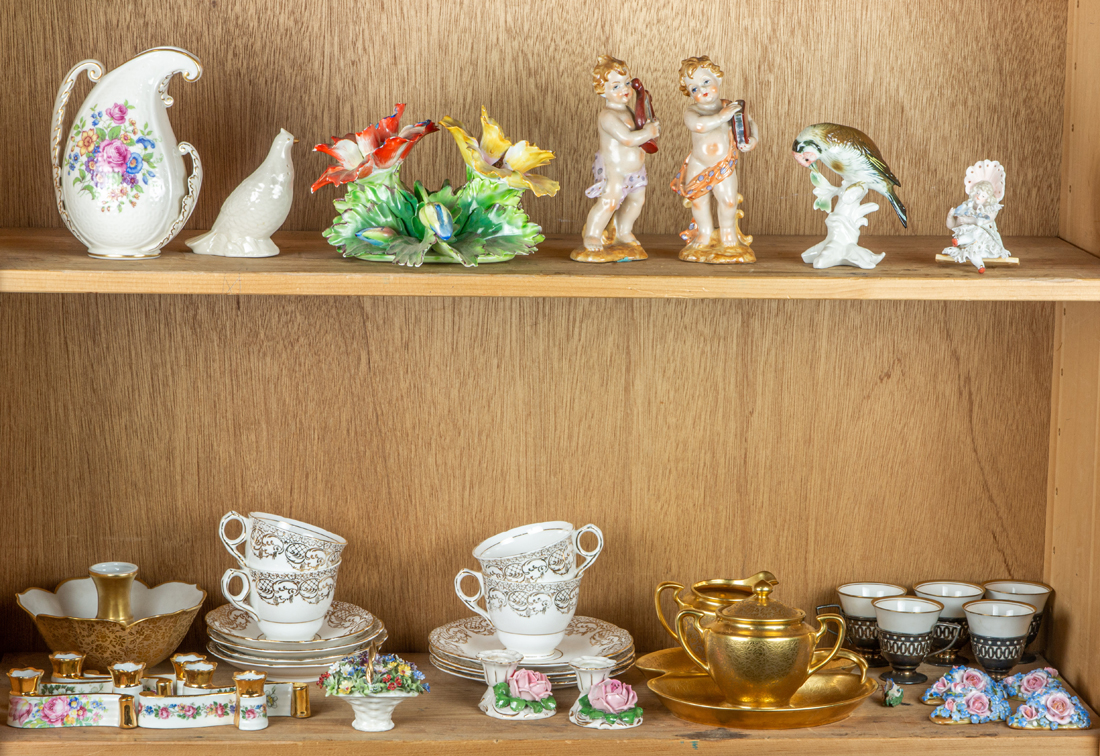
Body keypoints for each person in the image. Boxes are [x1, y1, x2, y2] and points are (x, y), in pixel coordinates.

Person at [671, 56, 759, 263]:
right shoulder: (692, 111)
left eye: (706, 82)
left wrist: (752, 140)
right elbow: (698, 125)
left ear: (718, 79)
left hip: (724, 165)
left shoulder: (731, 107)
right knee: (699, 202)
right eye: (694, 89)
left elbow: (749, 124)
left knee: (728, 201)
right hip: (699, 164)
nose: (701, 90)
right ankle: (705, 233)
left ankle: (728, 235)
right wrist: (722, 117)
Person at [573, 55, 660, 263]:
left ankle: (623, 231)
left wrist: (648, 126)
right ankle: (593, 233)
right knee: (609, 202)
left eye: (627, 83)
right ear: (602, 90)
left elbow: (639, 129)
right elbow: (628, 138)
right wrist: (648, 131)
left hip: (634, 171)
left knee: (637, 200)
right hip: (615, 171)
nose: (625, 89)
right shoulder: (608, 116)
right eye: (616, 86)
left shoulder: (629, 110)